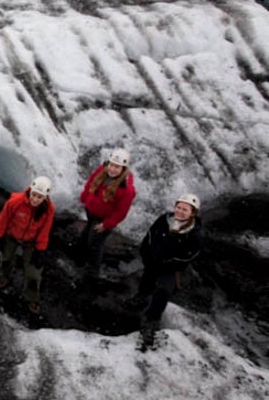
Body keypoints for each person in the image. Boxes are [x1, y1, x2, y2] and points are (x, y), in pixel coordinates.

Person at [128, 193, 204, 350]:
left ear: (193, 213)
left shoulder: (195, 233)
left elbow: (188, 257)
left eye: (185, 209)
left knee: (163, 290)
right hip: (153, 260)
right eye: (179, 207)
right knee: (147, 279)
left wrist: (166, 265)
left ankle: (152, 321)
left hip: (170, 268)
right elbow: (149, 235)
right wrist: (145, 253)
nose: (180, 211)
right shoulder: (164, 219)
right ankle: (141, 296)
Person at [0, 176, 56, 314]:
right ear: (30, 191)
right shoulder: (15, 202)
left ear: (45, 197)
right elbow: (3, 219)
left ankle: (31, 297)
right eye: (34, 195)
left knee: (33, 272)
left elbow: (45, 230)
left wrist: (40, 250)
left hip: (31, 241)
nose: (35, 199)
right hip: (12, 236)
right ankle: (4, 277)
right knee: (7, 257)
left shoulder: (48, 210)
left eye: (40, 197)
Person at [77, 147, 136, 282]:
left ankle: (92, 273)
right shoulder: (102, 171)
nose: (113, 169)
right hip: (92, 213)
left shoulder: (127, 190)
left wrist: (106, 224)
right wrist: (84, 197)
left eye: (117, 167)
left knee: (95, 245)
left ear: (123, 169)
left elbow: (121, 212)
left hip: (103, 220)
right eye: (112, 165)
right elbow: (91, 182)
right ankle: (81, 260)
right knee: (85, 237)